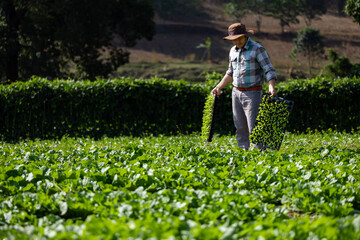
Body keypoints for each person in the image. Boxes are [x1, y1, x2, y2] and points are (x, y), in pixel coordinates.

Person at [212, 23, 277, 150]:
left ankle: (259, 155)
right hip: (236, 93)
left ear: (246, 36)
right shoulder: (232, 51)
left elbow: (269, 69)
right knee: (240, 127)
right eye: (234, 39)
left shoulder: (257, 49)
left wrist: (271, 87)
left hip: (253, 93)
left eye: (239, 38)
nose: (237, 41)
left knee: (254, 127)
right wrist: (219, 87)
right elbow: (230, 73)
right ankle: (244, 154)